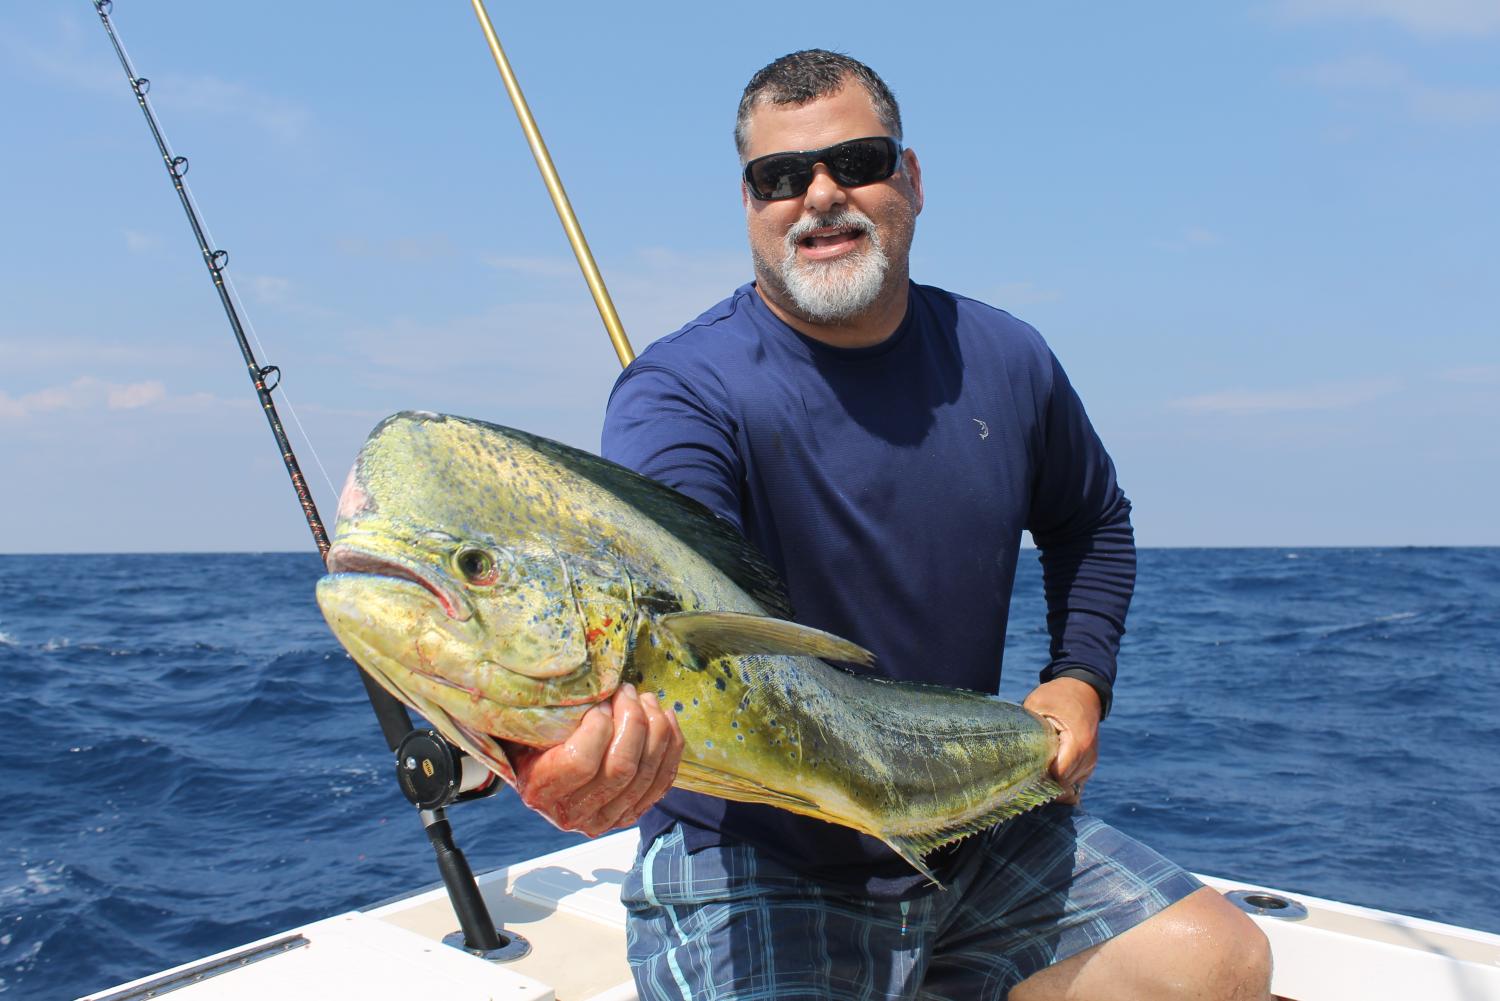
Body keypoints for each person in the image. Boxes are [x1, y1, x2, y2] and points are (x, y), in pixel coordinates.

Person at [509, 49, 1272, 1000]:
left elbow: (1093, 522)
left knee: (1226, 964)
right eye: (781, 178)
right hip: (754, 858)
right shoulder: (681, 390)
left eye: (856, 162)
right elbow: (648, 582)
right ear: (751, 207)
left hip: (968, 821)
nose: (820, 195)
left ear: (908, 178)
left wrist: (1080, 679)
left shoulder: (1007, 356)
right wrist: (559, 747)